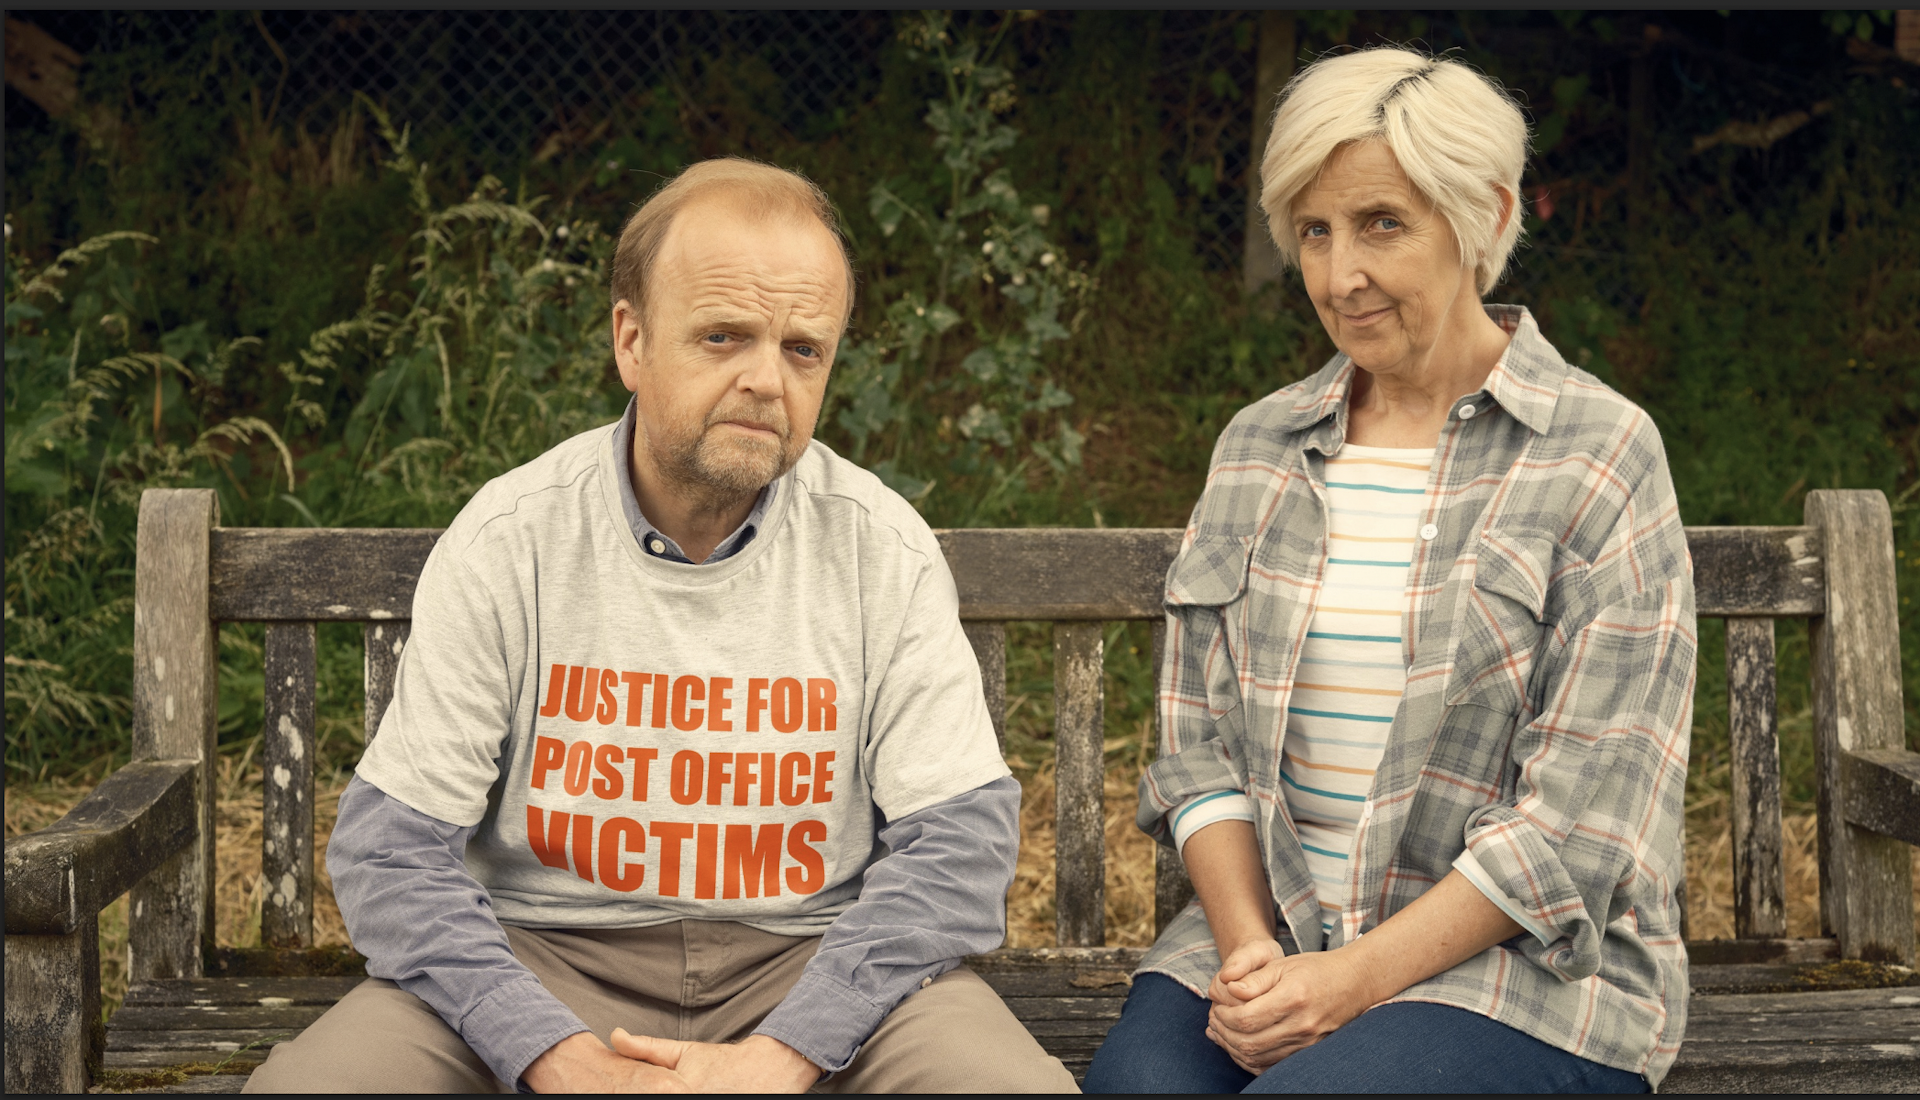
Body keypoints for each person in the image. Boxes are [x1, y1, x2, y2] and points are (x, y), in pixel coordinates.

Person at [246, 158, 1076, 1094]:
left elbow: (959, 846)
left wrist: (788, 1053)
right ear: (632, 342)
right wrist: (553, 1056)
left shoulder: (880, 547)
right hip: (538, 957)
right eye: (723, 336)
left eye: (804, 350)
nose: (767, 380)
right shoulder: (512, 538)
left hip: (816, 961)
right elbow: (391, 853)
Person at [1085, 48, 1692, 1094]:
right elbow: (1198, 752)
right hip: (1278, 933)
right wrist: (1254, 956)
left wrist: (1350, 981)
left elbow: (1577, 825)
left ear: (1484, 216)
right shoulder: (1259, 446)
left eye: (1381, 224)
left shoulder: (1599, 454)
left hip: (1523, 969)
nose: (1338, 276)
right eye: (1315, 231)